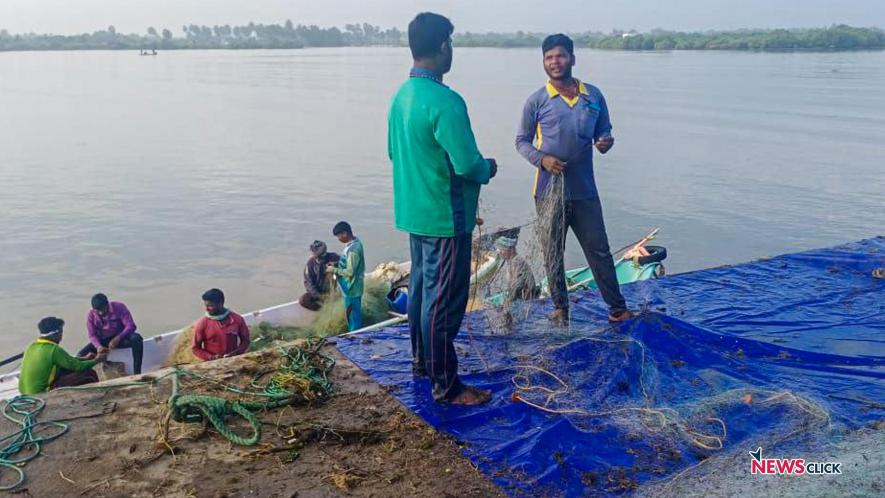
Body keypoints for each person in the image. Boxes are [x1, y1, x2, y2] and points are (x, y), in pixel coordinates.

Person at [388, 12, 498, 405]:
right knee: (445, 300)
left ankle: (422, 362)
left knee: (420, 290)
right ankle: (446, 385)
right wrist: (489, 168)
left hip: (415, 212)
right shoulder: (446, 101)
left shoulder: (401, 96)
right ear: (442, 47)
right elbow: (468, 163)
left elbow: (393, 153)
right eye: (451, 42)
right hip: (444, 218)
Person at [515, 33, 633, 325]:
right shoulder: (537, 101)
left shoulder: (593, 96)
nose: (555, 62)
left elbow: (603, 132)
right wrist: (542, 159)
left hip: (584, 191)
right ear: (544, 62)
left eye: (560, 56)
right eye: (549, 57)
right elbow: (521, 141)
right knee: (553, 253)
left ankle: (617, 309)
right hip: (547, 191)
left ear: (572, 58)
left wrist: (605, 142)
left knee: (599, 251)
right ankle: (560, 308)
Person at [19, 317, 106, 395]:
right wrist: (97, 360)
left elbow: (66, 361)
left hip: (24, 392)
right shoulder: (53, 349)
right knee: (88, 373)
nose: (62, 336)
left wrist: (84, 358)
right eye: (61, 332)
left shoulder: (31, 346)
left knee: (64, 368)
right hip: (41, 392)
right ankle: (99, 395)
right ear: (56, 334)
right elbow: (79, 367)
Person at [79, 293, 144, 374]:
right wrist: (98, 346)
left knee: (137, 339)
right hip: (103, 342)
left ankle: (137, 372)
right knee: (81, 355)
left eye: (102, 310)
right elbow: (92, 335)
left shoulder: (119, 307)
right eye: (97, 311)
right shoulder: (91, 315)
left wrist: (118, 338)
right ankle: (89, 378)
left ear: (107, 304)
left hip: (120, 338)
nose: (101, 313)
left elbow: (131, 326)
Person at [191, 288, 251, 361]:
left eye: (210, 306)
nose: (206, 309)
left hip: (234, 360)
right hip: (212, 363)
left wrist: (236, 353)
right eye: (205, 305)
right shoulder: (202, 324)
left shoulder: (237, 319)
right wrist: (211, 357)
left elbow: (246, 341)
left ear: (221, 303)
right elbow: (195, 348)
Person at [327, 222, 365, 331]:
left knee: (352, 313)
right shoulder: (353, 243)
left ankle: (355, 333)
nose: (338, 239)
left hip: (352, 288)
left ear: (345, 233)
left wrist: (333, 270)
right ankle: (354, 331)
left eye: (339, 236)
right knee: (352, 312)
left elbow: (350, 272)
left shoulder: (353, 250)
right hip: (350, 287)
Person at [299, 240, 340, 311]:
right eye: (318, 256)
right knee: (303, 299)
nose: (321, 258)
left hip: (335, 292)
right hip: (320, 295)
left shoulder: (335, 258)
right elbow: (309, 284)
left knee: (332, 273)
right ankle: (323, 310)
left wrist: (334, 266)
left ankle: (336, 302)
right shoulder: (310, 264)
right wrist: (320, 296)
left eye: (323, 255)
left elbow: (347, 271)